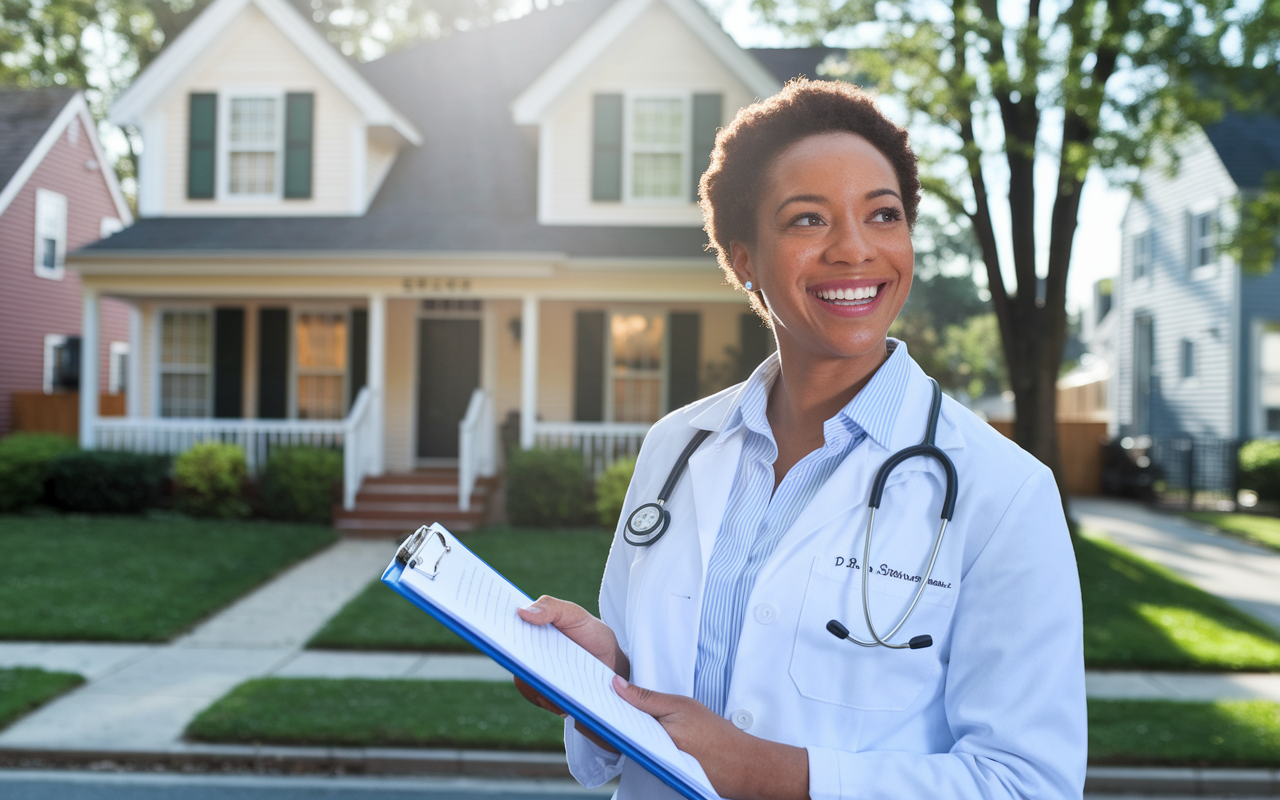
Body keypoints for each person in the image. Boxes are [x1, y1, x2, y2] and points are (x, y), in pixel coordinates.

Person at [514, 78, 1086, 800]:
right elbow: (637, 732)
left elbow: (1027, 784)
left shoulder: (1003, 493)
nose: (855, 251)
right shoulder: (675, 449)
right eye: (808, 220)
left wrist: (766, 774)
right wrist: (602, 686)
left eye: (884, 215)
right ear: (743, 257)